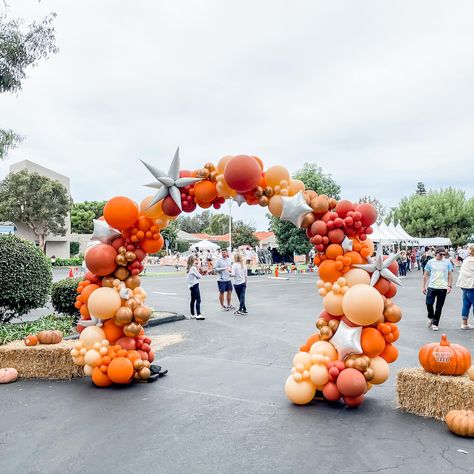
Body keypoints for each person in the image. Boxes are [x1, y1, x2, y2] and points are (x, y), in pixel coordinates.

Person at [422, 247, 454, 331]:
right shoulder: (430, 262)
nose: (442, 256)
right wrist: (423, 286)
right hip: (432, 286)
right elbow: (425, 274)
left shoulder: (447, 262)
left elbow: (450, 274)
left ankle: (435, 323)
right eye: (441, 254)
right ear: (436, 253)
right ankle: (430, 316)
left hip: (443, 287)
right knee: (429, 303)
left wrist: (450, 286)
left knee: (439, 307)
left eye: (444, 254)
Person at [456, 244, 474, 330]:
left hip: (464, 285)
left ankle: (464, 323)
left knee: (466, 304)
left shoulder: (466, 260)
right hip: (472, 285)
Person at [186, 255, 205, 320]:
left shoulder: (189, 268)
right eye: (195, 260)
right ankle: (198, 314)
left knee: (193, 300)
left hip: (191, 286)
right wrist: (200, 271)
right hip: (195, 285)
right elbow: (199, 276)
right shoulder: (193, 268)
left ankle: (192, 314)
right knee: (198, 300)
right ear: (193, 260)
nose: (196, 261)